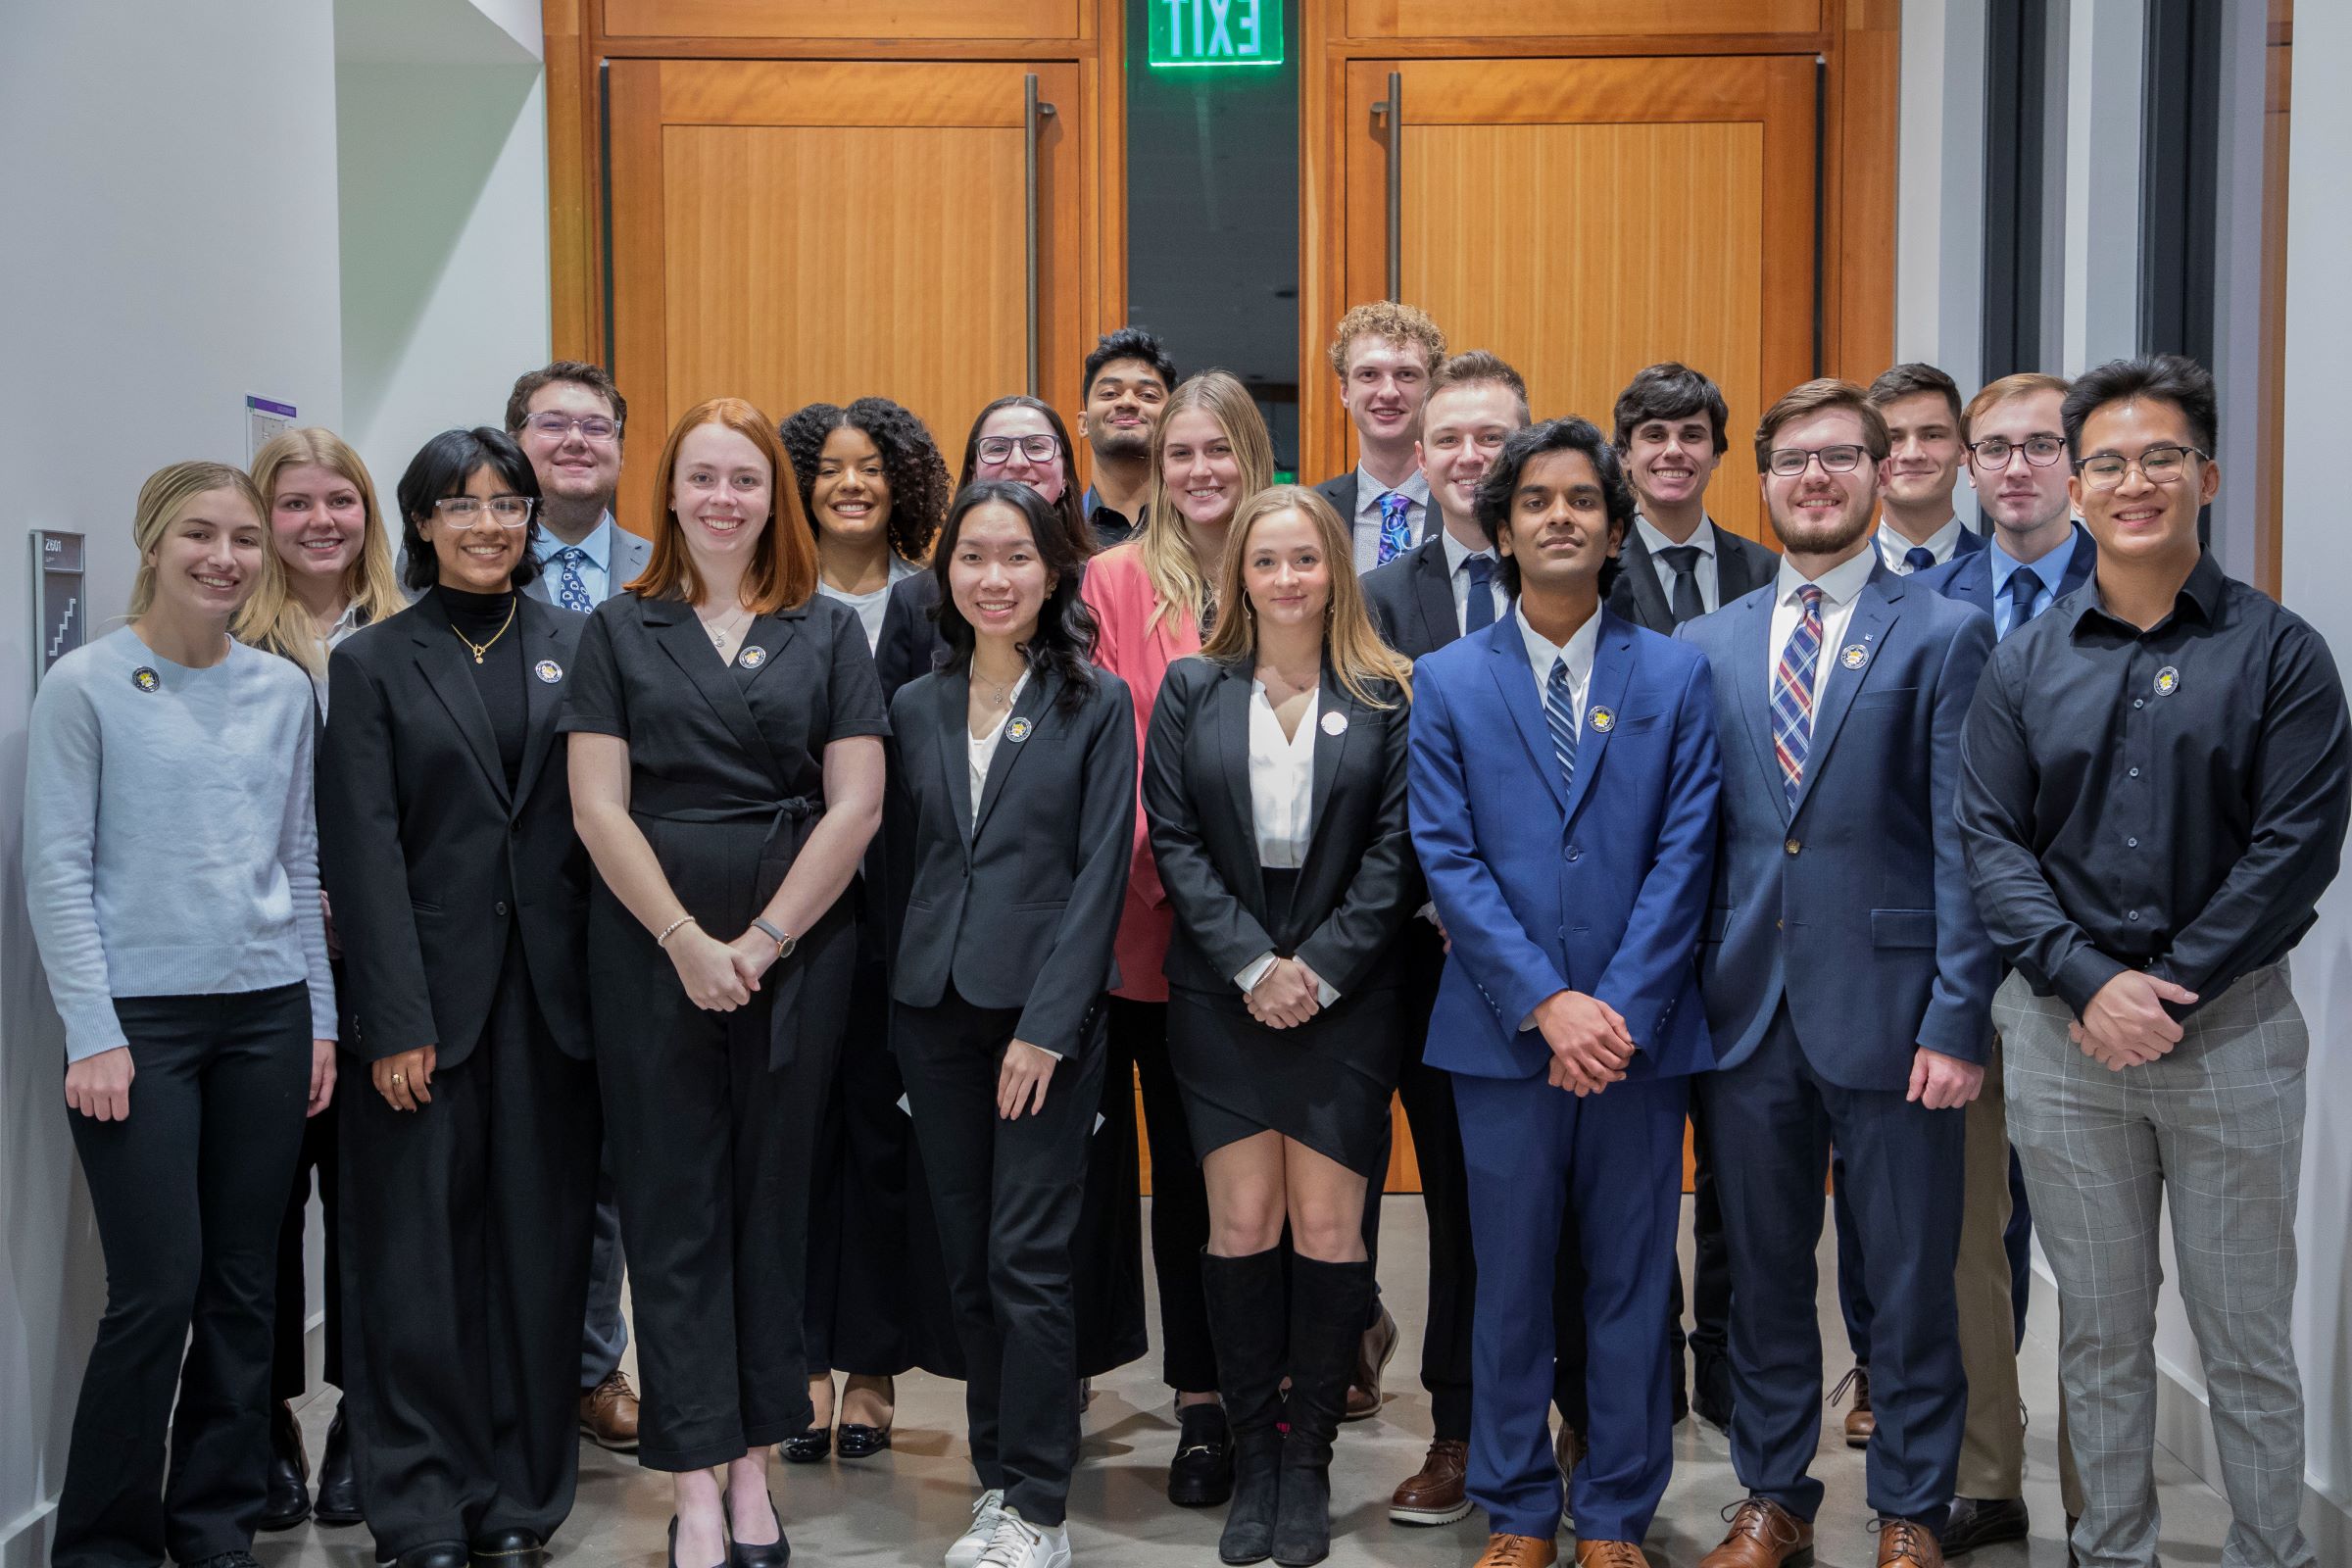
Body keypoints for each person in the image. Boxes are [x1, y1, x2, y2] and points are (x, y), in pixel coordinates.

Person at [1959, 355, 2349, 1568]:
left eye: (2163, 458)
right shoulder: (2021, 661)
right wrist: (2087, 981)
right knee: (2102, 1332)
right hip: (2066, 1044)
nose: (2137, 482)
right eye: (2112, 464)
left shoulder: (2282, 653)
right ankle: (2112, 1548)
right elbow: (1989, 840)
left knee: (2242, 1334)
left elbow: (2296, 849)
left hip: (2229, 1037)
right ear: (2078, 492)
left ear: (2208, 478)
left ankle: (2271, 1550)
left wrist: (2163, 988)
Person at [561, 397, 888, 1568]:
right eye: (702, 477)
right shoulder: (616, 627)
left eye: (745, 480)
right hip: (651, 949)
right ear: (670, 494)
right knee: (672, 1208)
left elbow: (857, 803)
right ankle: (696, 1481)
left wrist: (760, 942)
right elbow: (597, 806)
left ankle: (757, 1463)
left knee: (770, 1206)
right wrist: (689, 942)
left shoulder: (827, 632)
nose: (723, 499)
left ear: (774, 498)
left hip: (795, 950)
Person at [1678, 378, 1997, 1568]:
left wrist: (1958, 1013)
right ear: (1760, 482)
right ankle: (1773, 1496)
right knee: (1758, 1273)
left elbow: (1969, 840)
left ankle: (1911, 1506)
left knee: (1908, 1279)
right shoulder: (1703, 645)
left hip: (1898, 1011)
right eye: (1794, 461)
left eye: (1840, 458)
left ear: (1883, 474)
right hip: (1745, 1011)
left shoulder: (1947, 632)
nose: (1816, 479)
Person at [1408, 418, 1722, 1568]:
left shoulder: (1676, 673)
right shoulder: (1445, 682)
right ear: (1501, 529)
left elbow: (1689, 854)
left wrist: (1613, 1009)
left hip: (1640, 1042)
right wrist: (1547, 1003)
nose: (1558, 517)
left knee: (1634, 1281)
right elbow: (1448, 859)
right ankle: (1520, 1505)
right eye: (1534, 500)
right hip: (1501, 1039)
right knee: (1509, 1283)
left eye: (1581, 500)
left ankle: (1616, 1512)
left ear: (1614, 526)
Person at [26, 461, 338, 1568]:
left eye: (245, 539)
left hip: (266, 1014)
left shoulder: (281, 691)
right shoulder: (87, 685)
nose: (225, 557)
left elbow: (299, 866)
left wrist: (324, 1021)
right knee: (156, 1292)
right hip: (142, 1027)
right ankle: (105, 1544)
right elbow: (56, 874)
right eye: (200, 535)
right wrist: (94, 1031)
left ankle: (214, 1528)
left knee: (246, 1289)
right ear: (152, 544)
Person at [318, 427, 602, 1568]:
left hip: (554, 1009)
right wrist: (392, 1018)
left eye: (507, 501)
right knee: (417, 1270)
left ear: (531, 517)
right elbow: (365, 852)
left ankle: (521, 1506)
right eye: (460, 503)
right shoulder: (374, 661)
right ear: (422, 522)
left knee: (542, 1263)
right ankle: (424, 1510)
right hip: (424, 1015)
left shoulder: (584, 646)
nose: (488, 522)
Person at [1146, 484, 1419, 1566]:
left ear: (1334, 571)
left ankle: (1306, 1465)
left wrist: (1318, 969)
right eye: (1267, 562)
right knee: (1242, 1228)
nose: (1288, 578)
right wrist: (1256, 964)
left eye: (1307, 559)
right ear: (1240, 577)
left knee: (1330, 1234)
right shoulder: (1191, 688)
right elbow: (1173, 839)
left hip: (1346, 1000)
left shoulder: (1386, 692)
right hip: (1224, 994)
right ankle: (1253, 1457)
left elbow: (1398, 855)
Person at [889, 480, 1136, 1568]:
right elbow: (904, 870)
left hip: (1043, 1025)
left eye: (1018, 559)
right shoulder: (915, 705)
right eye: (975, 558)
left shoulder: (1097, 701)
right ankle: (996, 1481)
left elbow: (1099, 881)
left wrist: (1050, 1026)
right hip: (933, 1016)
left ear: (1054, 572)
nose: (995, 578)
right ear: (947, 572)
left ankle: (1039, 1502)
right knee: (965, 1263)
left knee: (1027, 1257)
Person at [1893, 370, 2095, 1555]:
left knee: (2092, 1254)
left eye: (2040, 446)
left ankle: (2095, 1490)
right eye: (1995, 449)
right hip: (1960, 975)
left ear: (2074, 464)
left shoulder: (2124, 596)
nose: (2016, 468)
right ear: (1968, 468)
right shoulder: (1932, 605)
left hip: (2082, 978)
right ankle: (1987, 1469)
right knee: (1967, 1240)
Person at [1079, 368, 1276, 1505]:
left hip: (1282, 952)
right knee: (1187, 1188)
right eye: (1182, 453)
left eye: (1222, 450)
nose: (1203, 473)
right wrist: (1198, 897)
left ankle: (1282, 1392)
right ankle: (1202, 1406)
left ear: (1254, 458)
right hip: (1152, 939)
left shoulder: (1290, 566)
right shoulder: (1107, 584)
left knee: (1274, 1188)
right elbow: (1109, 771)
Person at [1359, 350, 1523, 1526]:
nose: (1472, 457)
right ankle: (1460, 1431)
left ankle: (1584, 1423)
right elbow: (1363, 783)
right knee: (1460, 1203)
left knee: (1579, 1198)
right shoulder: (1376, 600)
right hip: (1424, 962)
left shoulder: (1594, 576)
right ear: (1420, 458)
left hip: (1577, 963)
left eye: (1493, 437)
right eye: (1451, 438)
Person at [777, 396, 956, 1460]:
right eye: (830, 468)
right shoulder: (772, 605)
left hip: (909, 905)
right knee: (795, 1135)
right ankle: (798, 1355)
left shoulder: (936, 604)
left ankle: (874, 1364)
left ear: (900, 485)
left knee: (886, 1135)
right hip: (792, 905)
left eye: (871, 468)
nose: (851, 483)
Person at [235, 426, 407, 1532]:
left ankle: (361, 1425)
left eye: (338, 501)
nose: (319, 524)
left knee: (371, 1212)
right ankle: (259, 1424)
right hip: (260, 979)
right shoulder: (227, 642)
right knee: (255, 1218)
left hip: (382, 974)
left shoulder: (404, 636)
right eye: (293, 504)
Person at [1598, 361, 1771, 1438]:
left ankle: (1728, 1369)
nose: (1671, 452)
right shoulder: (1588, 576)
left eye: (1691, 434)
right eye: (1651, 436)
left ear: (1716, 451)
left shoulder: (1765, 571)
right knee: (1635, 1180)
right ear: (1626, 457)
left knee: (1741, 1176)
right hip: (1632, 925)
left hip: (1749, 920)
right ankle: (1645, 1375)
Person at [503, 359, 649, 1453]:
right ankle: (517, 1363)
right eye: (550, 425)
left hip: (652, 895)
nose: (574, 442)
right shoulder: (475, 567)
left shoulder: (662, 569)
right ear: (516, 441)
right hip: (518, 901)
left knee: (616, 1154)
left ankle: (597, 1369)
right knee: (526, 1147)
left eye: (594, 426)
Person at [876, 396, 1091, 699]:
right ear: (973, 471)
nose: (1017, 462)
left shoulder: (1101, 581)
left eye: (1037, 447)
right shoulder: (916, 597)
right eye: (997, 448)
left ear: (1065, 473)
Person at [1313, 302, 1446, 572]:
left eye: (1406, 375)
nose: (1388, 392)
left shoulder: (1464, 505)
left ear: (1431, 390)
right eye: (1369, 374)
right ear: (1345, 392)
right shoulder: (1312, 512)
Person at [1866, 363, 1984, 574]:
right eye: (1894, 438)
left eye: (1932, 435)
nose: (1912, 454)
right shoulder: (1843, 576)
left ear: (1962, 449)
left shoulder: (2002, 573)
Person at [1078, 327, 1177, 547]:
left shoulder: (1197, 529)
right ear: (1083, 424)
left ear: (1171, 424)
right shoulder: (1058, 534)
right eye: (1110, 393)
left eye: (1148, 395)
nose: (1128, 402)